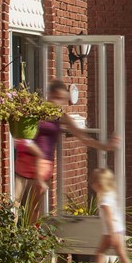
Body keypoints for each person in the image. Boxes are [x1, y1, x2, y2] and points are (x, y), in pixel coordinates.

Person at [15, 80, 119, 223]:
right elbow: (21, 128)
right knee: (14, 204)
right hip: (26, 158)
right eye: (56, 97)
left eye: (62, 99)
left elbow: (84, 138)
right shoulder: (36, 110)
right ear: (49, 95)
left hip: (44, 164)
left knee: (34, 209)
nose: (59, 102)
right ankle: (9, 240)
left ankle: (29, 242)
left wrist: (106, 146)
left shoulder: (62, 116)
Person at [86, 167, 132, 263]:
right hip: (118, 229)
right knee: (121, 254)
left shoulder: (104, 201)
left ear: (99, 184)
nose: (92, 184)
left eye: (93, 182)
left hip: (111, 231)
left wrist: (111, 233)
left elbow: (108, 217)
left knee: (100, 252)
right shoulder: (110, 194)